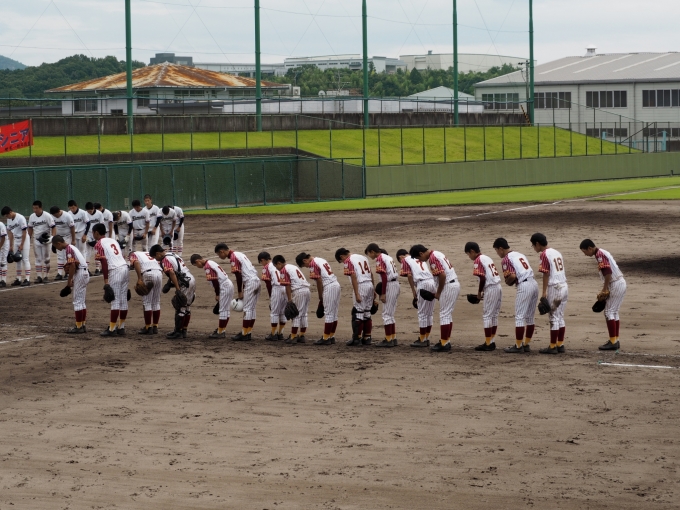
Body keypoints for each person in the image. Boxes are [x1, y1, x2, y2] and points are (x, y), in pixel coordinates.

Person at [410, 244, 460, 352]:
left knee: (444, 315)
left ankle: (444, 343)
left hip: (448, 286)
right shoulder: (437, 253)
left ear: (421, 253)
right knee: (447, 314)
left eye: (419, 258)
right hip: (454, 284)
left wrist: (438, 293)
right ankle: (446, 341)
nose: (421, 261)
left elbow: (442, 275)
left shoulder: (432, 258)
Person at [580, 239, 627, 351]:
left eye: (585, 252)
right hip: (620, 283)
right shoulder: (602, 252)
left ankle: (613, 342)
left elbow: (608, 272)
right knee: (614, 312)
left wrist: (604, 289)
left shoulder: (599, 255)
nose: (585, 254)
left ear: (590, 248)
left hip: (615, 283)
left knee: (609, 312)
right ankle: (615, 340)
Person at [494, 238, 538, 353]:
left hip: (524, 286)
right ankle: (526, 344)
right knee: (530, 317)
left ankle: (518, 346)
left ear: (501, 249)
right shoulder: (520, 254)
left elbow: (512, 276)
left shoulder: (506, 259)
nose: (497, 253)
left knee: (519, 317)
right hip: (534, 284)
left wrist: (508, 282)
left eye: (496, 250)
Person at [531, 233, 568, 354]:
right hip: (564, 286)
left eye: (533, 245)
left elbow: (546, 273)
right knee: (560, 316)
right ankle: (560, 344)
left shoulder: (544, 254)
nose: (533, 248)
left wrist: (544, 292)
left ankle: (552, 347)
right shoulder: (556, 252)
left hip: (555, 288)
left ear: (537, 244)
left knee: (553, 317)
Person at [215, 244, 260, 341]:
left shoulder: (233, 257)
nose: (219, 256)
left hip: (250, 282)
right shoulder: (239, 254)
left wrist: (240, 291)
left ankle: (244, 334)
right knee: (251, 309)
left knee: (247, 309)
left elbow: (238, 276)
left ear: (222, 251)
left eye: (219, 254)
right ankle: (248, 332)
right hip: (256, 281)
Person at [296, 252, 340, 346]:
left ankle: (325, 338)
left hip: (329, 286)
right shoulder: (320, 259)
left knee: (329, 314)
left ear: (305, 260)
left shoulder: (312, 263)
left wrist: (320, 296)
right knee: (334, 313)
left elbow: (319, 280)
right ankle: (331, 336)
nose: (307, 267)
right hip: (336, 285)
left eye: (304, 265)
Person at [465, 242, 502, 352]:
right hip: (498, 287)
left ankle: (488, 343)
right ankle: (492, 341)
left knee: (487, 316)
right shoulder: (487, 257)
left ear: (472, 251)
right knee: (494, 315)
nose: (469, 256)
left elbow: (482, 278)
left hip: (491, 288)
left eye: (468, 254)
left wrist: (479, 292)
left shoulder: (478, 260)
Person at [93, 223, 129, 336]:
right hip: (125, 267)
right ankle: (121, 327)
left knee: (115, 301)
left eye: (93, 233)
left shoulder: (99, 244)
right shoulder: (113, 240)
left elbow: (104, 262)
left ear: (96, 233)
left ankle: (112, 329)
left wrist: (106, 281)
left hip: (115, 270)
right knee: (123, 300)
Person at [153, 245, 196, 339]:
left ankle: (178, 332)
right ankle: (184, 331)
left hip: (184, 283)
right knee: (187, 307)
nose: (156, 259)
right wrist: (169, 284)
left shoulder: (164, 259)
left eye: (155, 257)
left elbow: (172, 273)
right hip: (191, 279)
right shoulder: (173, 254)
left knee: (180, 308)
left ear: (158, 254)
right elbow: (176, 271)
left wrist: (177, 289)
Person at [335, 248, 376, 346]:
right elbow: (371, 274)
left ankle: (356, 339)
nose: (343, 262)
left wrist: (357, 293)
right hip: (369, 285)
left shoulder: (348, 260)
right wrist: (373, 289)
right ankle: (367, 338)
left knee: (358, 312)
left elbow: (353, 276)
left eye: (341, 261)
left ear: (342, 256)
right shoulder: (363, 257)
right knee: (367, 312)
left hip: (360, 286)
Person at [397, 248, 436, 347]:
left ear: (401, 257)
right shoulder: (419, 258)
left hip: (423, 284)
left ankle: (422, 340)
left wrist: (413, 290)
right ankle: (426, 338)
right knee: (429, 313)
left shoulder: (405, 259)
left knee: (422, 313)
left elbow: (409, 275)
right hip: (432, 283)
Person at [190, 254, 235, 339]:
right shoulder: (210, 262)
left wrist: (217, 294)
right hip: (228, 284)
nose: (197, 267)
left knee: (223, 310)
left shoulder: (207, 267)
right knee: (225, 309)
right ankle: (221, 330)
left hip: (224, 286)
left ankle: (220, 332)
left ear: (197, 261)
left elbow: (215, 281)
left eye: (196, 265)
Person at [52, 235, 90, 334]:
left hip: (80, 274)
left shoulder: (68, 249)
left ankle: (78, 326)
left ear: (58, 243)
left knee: (77, 302)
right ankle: (82, 325)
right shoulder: (72, 247)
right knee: (81, 302)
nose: (57, 249)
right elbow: (75, 263)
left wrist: (69, 281)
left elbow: (72, 265)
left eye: (56, 247)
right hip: (84, 273)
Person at [365, 243, 400, 348]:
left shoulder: (380, 258)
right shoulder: (387, 256)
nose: (369, 256)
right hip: (395, 284)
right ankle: (393, 338)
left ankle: (388, 340)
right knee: (390, 314)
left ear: (372, 251)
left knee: (386, 314)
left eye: (369, 254)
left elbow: (384, 277)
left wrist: (383, 293)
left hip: (389, 285)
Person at [277, 255, 310, 344]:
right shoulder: (292, 267)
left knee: (296, 315)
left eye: (276, 266)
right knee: (304, 314)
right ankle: (301, 335)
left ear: (279, 263)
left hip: (298, 291)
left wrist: (289, 299)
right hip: (307, 290)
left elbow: (287, 285)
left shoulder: (284, 270)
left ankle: (293, 336)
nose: (277, 269)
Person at [129, 250, 163, 335]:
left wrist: (139, 278)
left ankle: (148, 327)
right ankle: (155, 327)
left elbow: (136, 262)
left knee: (147, 302)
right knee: (156, 301)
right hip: (159, 273)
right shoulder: (147, 253)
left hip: (148, 274)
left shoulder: (133, 254)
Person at [259, 252, 288, 341]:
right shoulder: (278, 264)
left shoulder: (267, 267)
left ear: (263, 260)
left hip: (276, 289)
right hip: (285, 288)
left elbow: (268, 283)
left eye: (261, 262)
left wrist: (271, 296)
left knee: (274, 312)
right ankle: (280, 333)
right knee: (283, 312)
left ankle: (273, 334)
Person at [27, 200, 56, 283]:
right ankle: (39, 276)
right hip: (36, 240)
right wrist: (28, 238)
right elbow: (30, 228)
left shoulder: (47, 216)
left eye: (36, 208)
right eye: (33, 208)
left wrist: (52, 238)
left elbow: (53, 227)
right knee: (38, 259)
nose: (35, 210)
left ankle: (46, 276)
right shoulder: (32, 216)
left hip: (46, 240)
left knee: (46, 259)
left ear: (40, 207)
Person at [2, 206, 31, 286]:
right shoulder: (9, 219)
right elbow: (10, 233)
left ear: (10, 212)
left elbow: (24, 232)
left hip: (24, 239)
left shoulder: (20, 218)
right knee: (17, 259)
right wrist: (11, 245)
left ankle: (27, 279)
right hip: (16, 240)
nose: (6, 217)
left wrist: (22, 244)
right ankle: (18, 279)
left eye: (7, 215)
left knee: (25, 259)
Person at [50, 206, 76, 281]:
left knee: (67, 255)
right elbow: (52, 228)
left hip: (67, 237)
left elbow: (72, 228)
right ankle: (59, 273)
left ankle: (67, 273)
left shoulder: (67, 216)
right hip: (58, 238)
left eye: (55, 214)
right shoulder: (52, 216)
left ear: (59, 211)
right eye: (53, 215)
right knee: (59, 256)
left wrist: (73, 240)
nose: (55, 216)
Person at [67, 200, 91, 270]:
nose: (72, 209)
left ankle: (84, 267)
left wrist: (85, 235)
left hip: (81, 233)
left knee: (82, 251)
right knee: (75, 251)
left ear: (76, 206)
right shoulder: (68, 214)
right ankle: (77, 267)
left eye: (73, 207)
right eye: (70, 208)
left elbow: (88, 223)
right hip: (73, 234)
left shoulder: (83, 213)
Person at [86, 202, 103, 275]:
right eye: (88, 211)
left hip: (97, 234)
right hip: (88, 234)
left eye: (91, 210)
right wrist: (86, 237)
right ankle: (87, 269)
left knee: (97, 252)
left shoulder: (99, 214)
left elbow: (101, 225)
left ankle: (97, 269)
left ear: (93, 208)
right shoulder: (85, 214)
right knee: (87, 252)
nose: (90, 212)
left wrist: (99, 236)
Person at [0, 220, 8, 287]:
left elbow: (3, 237)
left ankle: (3, 280)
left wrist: (0, 247)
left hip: (4, 244)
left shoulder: (1, 225)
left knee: (3, 262)